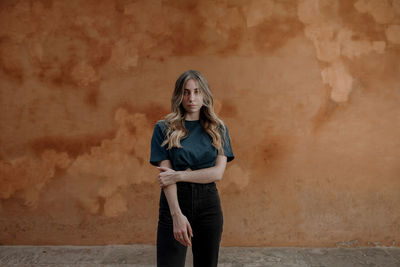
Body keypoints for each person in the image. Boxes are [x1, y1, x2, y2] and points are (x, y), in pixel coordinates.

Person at [150, 70, 234, 267]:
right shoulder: (163, 128)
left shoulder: (218, 129)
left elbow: (217, 173)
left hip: (209, 205)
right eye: (186, 92)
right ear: (179, 96)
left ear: (205, 94)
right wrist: (177, 215)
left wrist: (178, 175)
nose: (191, 98)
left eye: (197, 92)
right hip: (175, 202)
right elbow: (165, 179)